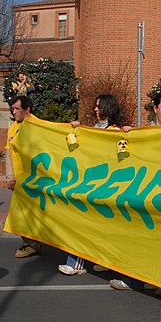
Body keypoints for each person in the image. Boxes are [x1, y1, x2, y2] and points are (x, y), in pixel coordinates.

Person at [109, 92, 161, 291]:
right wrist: (131, 135)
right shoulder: (146, 131)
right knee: (141, 237)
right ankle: (134, 278)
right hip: (148, 193)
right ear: (155, 109)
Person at [58, 94, 125, 276]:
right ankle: (82, 261)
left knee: (91, 225)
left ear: (108, 108)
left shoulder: (115, 130)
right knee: (88, 224)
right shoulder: (96, 128)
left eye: (99, 106)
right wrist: (77, 130)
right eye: (95, 106)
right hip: (93, 184)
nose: (95, 109)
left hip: (105, 186)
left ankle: (82, 262)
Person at [6, 95, 46, 258]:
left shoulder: (40, 126)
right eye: (13, 108)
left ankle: (42, 241)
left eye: (17, 108)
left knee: (42, 213)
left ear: (27, 109)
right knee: (19, 214)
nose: (13, 112)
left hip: (37, 180)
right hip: (19, 180)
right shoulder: (13, 127)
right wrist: (10, 176)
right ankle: (32, 243)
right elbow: (8, 152)